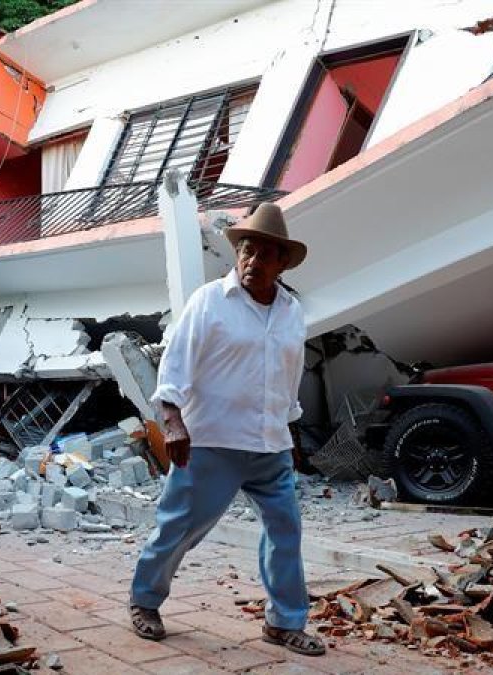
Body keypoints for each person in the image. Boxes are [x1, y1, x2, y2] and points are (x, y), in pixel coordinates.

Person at [129, 202, 325, 656]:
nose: (252, 261)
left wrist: (288, 433)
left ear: (281, 263)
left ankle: (284, 622)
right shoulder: (209, 302)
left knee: (285, 531)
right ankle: (144, 601)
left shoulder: (292, 312)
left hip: (270, 445)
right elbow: (175, 366)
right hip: (211, 442)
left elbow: (287, 379)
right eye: (246, 251)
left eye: (263, 255)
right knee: (179, 529)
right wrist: (173, 422)